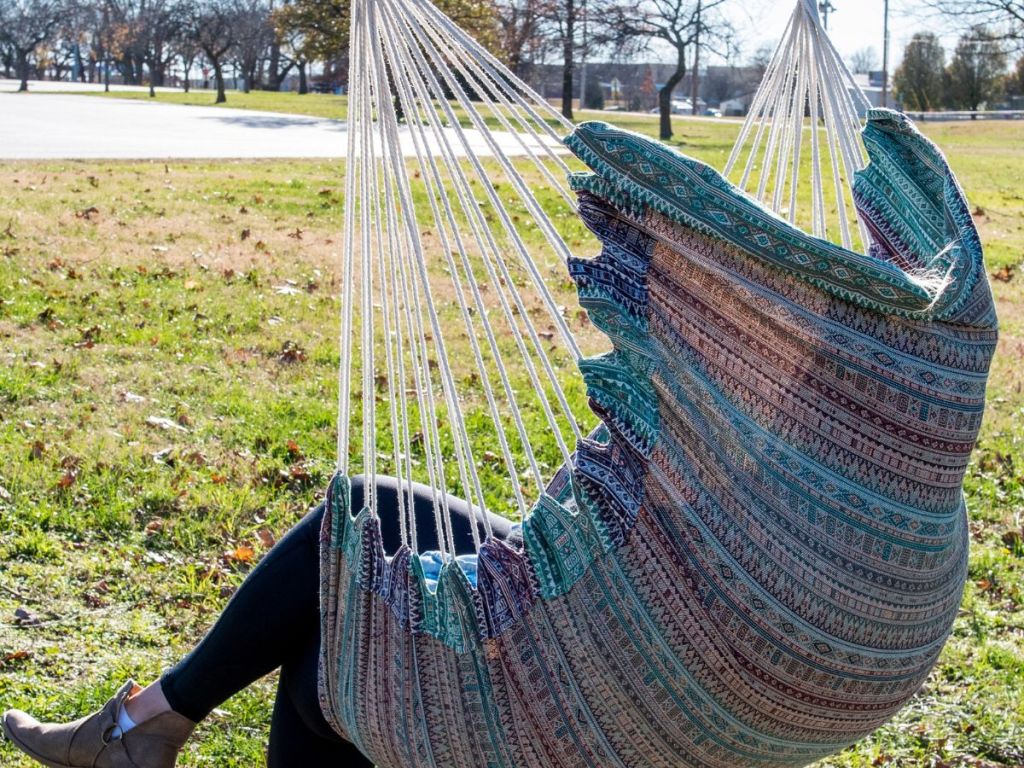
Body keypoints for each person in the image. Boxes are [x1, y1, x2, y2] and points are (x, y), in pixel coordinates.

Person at [2, 476, 513, 768]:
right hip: (586, 617)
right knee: (333, 620)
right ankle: (143, 726)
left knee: (363, 514)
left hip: (577, 663)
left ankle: (140, 726)